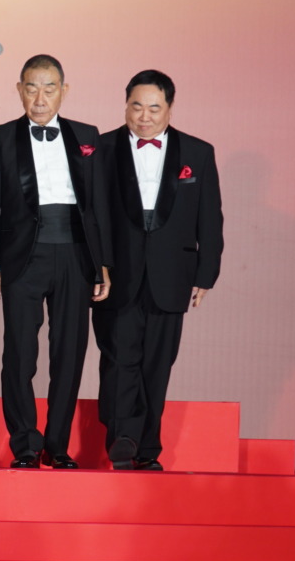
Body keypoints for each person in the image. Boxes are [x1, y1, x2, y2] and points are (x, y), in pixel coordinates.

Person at [0, 54, 111, 469]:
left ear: (63, 91)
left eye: (49, 88)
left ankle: (57, 446)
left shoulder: (88, 136)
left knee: (69, 353)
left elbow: (100, 206)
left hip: (75, 254)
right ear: (19, 90)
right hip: (22, 256)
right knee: (19, 353)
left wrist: (103, 263)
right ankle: (24, 444)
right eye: (32, 88)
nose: (40, 98)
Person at [93, 70, 223, 471]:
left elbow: (210, 218)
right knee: (119, 359)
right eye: (136, 106)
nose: (144, 116)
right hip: (117, 273)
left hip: (172, 274)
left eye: (154, 108)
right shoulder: (100, 149)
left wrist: (206, 274)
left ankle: (147, 449)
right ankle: (123, 438)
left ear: (169, 108)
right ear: (125, 105)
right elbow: (92, 215)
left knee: (157, 364)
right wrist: (97, 266)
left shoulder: (198, 153)